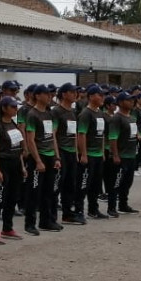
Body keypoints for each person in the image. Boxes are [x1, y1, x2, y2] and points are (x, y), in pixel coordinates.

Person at [0, 95, 26, 243]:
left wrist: (22, 166)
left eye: (16, 107)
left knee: (13, 197)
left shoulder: (14, 125)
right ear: (4, 108)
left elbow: (19, 148)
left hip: (15, 163)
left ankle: (7, 228)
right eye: (13, 106)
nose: (16, 109)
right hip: (2, 163)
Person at [23, 84, 62, 235]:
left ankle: (46, 221)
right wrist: (37, 160)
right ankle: (30, 223)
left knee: (48, 191)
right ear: (37, 96)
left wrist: (56, 156)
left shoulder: (49, 114)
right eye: (46, 94)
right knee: (34, 191)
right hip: (38, 157)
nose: (49, 96)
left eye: (50, 94)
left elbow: (52, 136)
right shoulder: (32, 114)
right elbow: (30, 140)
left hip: (50, 156)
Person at [75, 84, 108, 220]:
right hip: (88, 154)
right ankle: (78, 211)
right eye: (99, 95)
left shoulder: (100, 113)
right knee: (83, 184)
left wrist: (102, 151)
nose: (102, 97)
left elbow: (101, 134)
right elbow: (81, 134)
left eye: (103, 95)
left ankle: (94, 210)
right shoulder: (85, 114)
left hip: (98, 154)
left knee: (95, 184)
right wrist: (83, 154)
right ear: (91, 96)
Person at [53, 83, 83, 224]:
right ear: (64, 94)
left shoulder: (72, 112)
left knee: (71, 185)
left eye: (75, 92)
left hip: (71, 152)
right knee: (58, 184)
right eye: (71, 92)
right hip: (61, 150)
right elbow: (53, 134)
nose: (74, 94)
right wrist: (57, 155)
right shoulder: (57, 112)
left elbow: (74, 133)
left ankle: (67, 213)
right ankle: (51, 215)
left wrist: (77, 152)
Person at [109, 92, 139, 214]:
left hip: (131, 154)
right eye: (128, 100)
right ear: (120, 102)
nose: (131, 102)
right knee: (116, 182)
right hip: (121, 155)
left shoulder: (132, 118)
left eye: (132, 100)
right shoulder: (117, 118)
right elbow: (113, 138)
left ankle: (123, 204)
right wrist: (115, 155)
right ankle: (111, 207)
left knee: (127, 182)